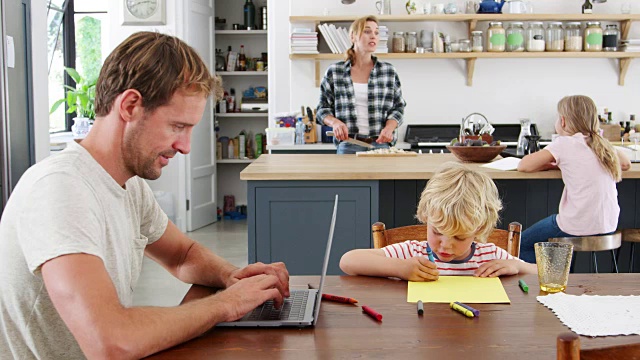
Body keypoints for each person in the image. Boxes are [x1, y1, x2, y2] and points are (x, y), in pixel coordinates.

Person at [0, 32, 290, 359]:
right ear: (130, 106)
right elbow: (110, 341)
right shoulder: (60, 188)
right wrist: (227, 303)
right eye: (177, 126)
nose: (185, 146)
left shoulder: (128, 184)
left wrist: (230, 276)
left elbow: (182, 255)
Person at [340, 163, 537, 281]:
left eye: (459, 237)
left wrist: (517, 266)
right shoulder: (412, 253)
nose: (445, 245)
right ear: (427, 218)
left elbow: (544, 274)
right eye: (437, 232)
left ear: (479, 229)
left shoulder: (490, 256)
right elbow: (348, 261)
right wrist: (400, 269)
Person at [517, 95, 631, 263]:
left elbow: (524, 165)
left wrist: (554, 164)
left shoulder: (564, 143)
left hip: (576, 225)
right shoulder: (602, 144)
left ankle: (549, 278)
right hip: (608, 225)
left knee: (522, 244)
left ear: (562, 121)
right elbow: (626, 163)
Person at [316, 15, 406, 154]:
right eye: (367, 31)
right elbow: (322, 109)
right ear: (353, 37)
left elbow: (398, 108)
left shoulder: (388, 71)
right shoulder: (335, 72)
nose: (373, 36)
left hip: (381, 146)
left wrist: (389, 128)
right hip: (348, 144)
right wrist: (335, 123)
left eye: (376, 33)